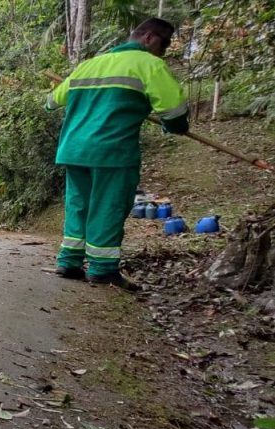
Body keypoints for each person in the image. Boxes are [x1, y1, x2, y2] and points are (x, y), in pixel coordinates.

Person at [46, 18, 189, 291]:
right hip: (112, 150)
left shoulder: (89, 65)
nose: (166, 50)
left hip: (74, 149)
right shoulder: (149, 65)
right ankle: (101, 269)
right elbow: (174, 112)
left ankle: (69, 261)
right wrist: (176, 127)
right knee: (107, 207)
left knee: (79, 205)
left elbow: (51, 101)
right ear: (148, 38)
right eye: (165, 43)